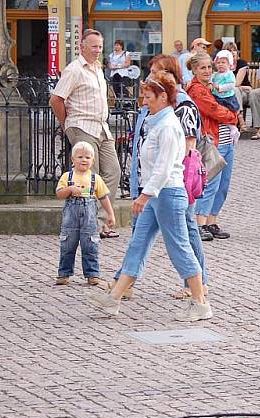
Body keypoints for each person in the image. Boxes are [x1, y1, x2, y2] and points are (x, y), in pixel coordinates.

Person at [90, 71, 212, 321]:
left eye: (148, 97)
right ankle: (113, 299)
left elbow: (164, 167)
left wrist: (145, 196)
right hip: (157, 195)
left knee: (179, 247)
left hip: (167, 194)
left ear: (163, 97)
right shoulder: (158, 123)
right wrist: (147, 196)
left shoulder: (168, 127)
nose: (144, 102)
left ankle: (200, 302)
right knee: (138, 245)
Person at [50, 28, 122, 239]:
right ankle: (91, 225)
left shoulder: (98, 68)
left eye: (100, 46)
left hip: (101, 126)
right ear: (82, 47)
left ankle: (100, 222)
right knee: (92, 174)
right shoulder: (74, 69)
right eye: (94, 46)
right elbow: (56, 99)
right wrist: (67, 125)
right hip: (82, 125)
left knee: (113, 171)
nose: (98, 50)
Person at [186, 52, 240, 241]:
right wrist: (234, 115)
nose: (208, 71)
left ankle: (211, 221)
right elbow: (213, 110)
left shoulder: (213, 84)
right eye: (203, 68)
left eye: (209, 67)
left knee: (223, 184)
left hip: (225, 139)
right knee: (210, 184)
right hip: (211, 141)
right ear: (194, 69)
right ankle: (199, 224)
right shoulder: (196, 89)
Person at [55, 141, 115, 287]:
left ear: (92, 161)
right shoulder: (67, 176)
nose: (84, 160)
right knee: (68, 244)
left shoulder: (96, 179)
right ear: (73, 159)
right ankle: (64, 273)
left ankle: (92, 274)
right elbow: (59, 194)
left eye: (88, 157)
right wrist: (69, 189)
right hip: (71, 218)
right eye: (80, 157)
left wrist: (110, 214)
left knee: (90, 245)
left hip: (89, 218)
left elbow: (103, 197)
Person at [211, 50, 242, 141]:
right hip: (217, 96)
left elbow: (232, 85)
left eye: (223, 62)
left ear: (229, 64)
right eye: (218, 62)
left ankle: (233, 127)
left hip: (227, 98)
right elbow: (211, 82)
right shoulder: (215, 75)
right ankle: (224, 126)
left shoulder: (229, 74)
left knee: (228, 112)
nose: (220, 64)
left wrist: (220, 87)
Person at [225, 42, 252, 131]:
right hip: (227, 92)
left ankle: (240, 118)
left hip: (244, 94)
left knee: (235, 90)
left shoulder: (242, 63)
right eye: (229, 50)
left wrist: (240, 87)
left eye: (234, 50)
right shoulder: (222, 65)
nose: (233, 52)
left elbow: (237, 83)